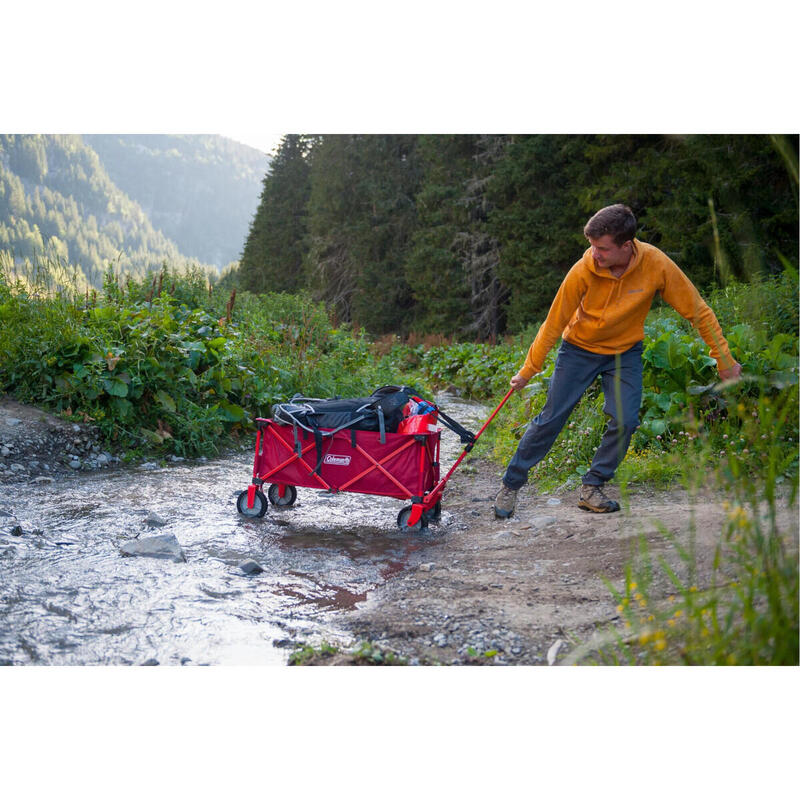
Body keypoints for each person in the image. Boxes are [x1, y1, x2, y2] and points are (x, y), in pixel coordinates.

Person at [493, 204, 742, 518]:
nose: (594, 253)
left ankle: (592, 486)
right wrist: (527, 371)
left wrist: (724, 360)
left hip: (624, 353)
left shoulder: (656, 264)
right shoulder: (583, 270)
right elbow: (553, 323)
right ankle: (511, 484)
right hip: (578, 349)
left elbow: (698, 312)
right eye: (592, 246)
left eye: (602, 248)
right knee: (552, 417)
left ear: (627, 246)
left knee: (625, 419)